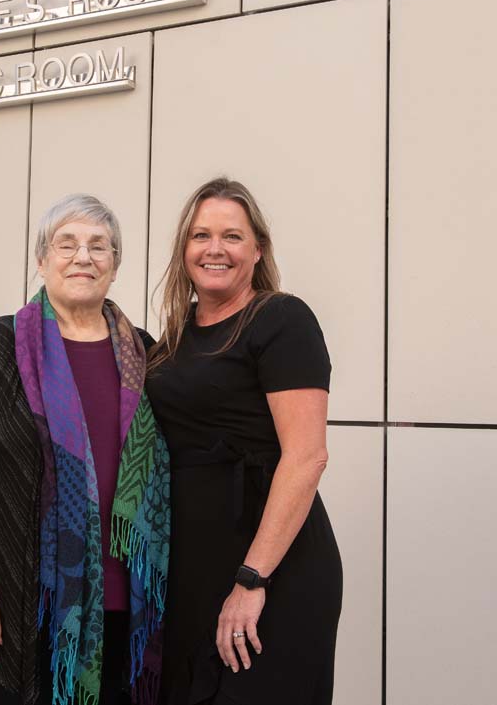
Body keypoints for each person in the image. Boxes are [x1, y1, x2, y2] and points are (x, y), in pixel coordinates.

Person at [0, 194, 171, 705]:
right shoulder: (2, 343)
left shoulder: (143, 354)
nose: (83, 257)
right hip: (22, 605)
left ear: (115, 264)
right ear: (42, 261)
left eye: (99, 246)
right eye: (67, 244)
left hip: (124, 610)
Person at [146, 178, 341, 705]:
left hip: (270, 569)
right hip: (192, 571)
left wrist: (252, 580)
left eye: (231, 236)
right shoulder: (172, 338)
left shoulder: (281, 319)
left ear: (257, 250)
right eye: (200, 235)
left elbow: (306, 456)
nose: (214, 249)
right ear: (184, 249)